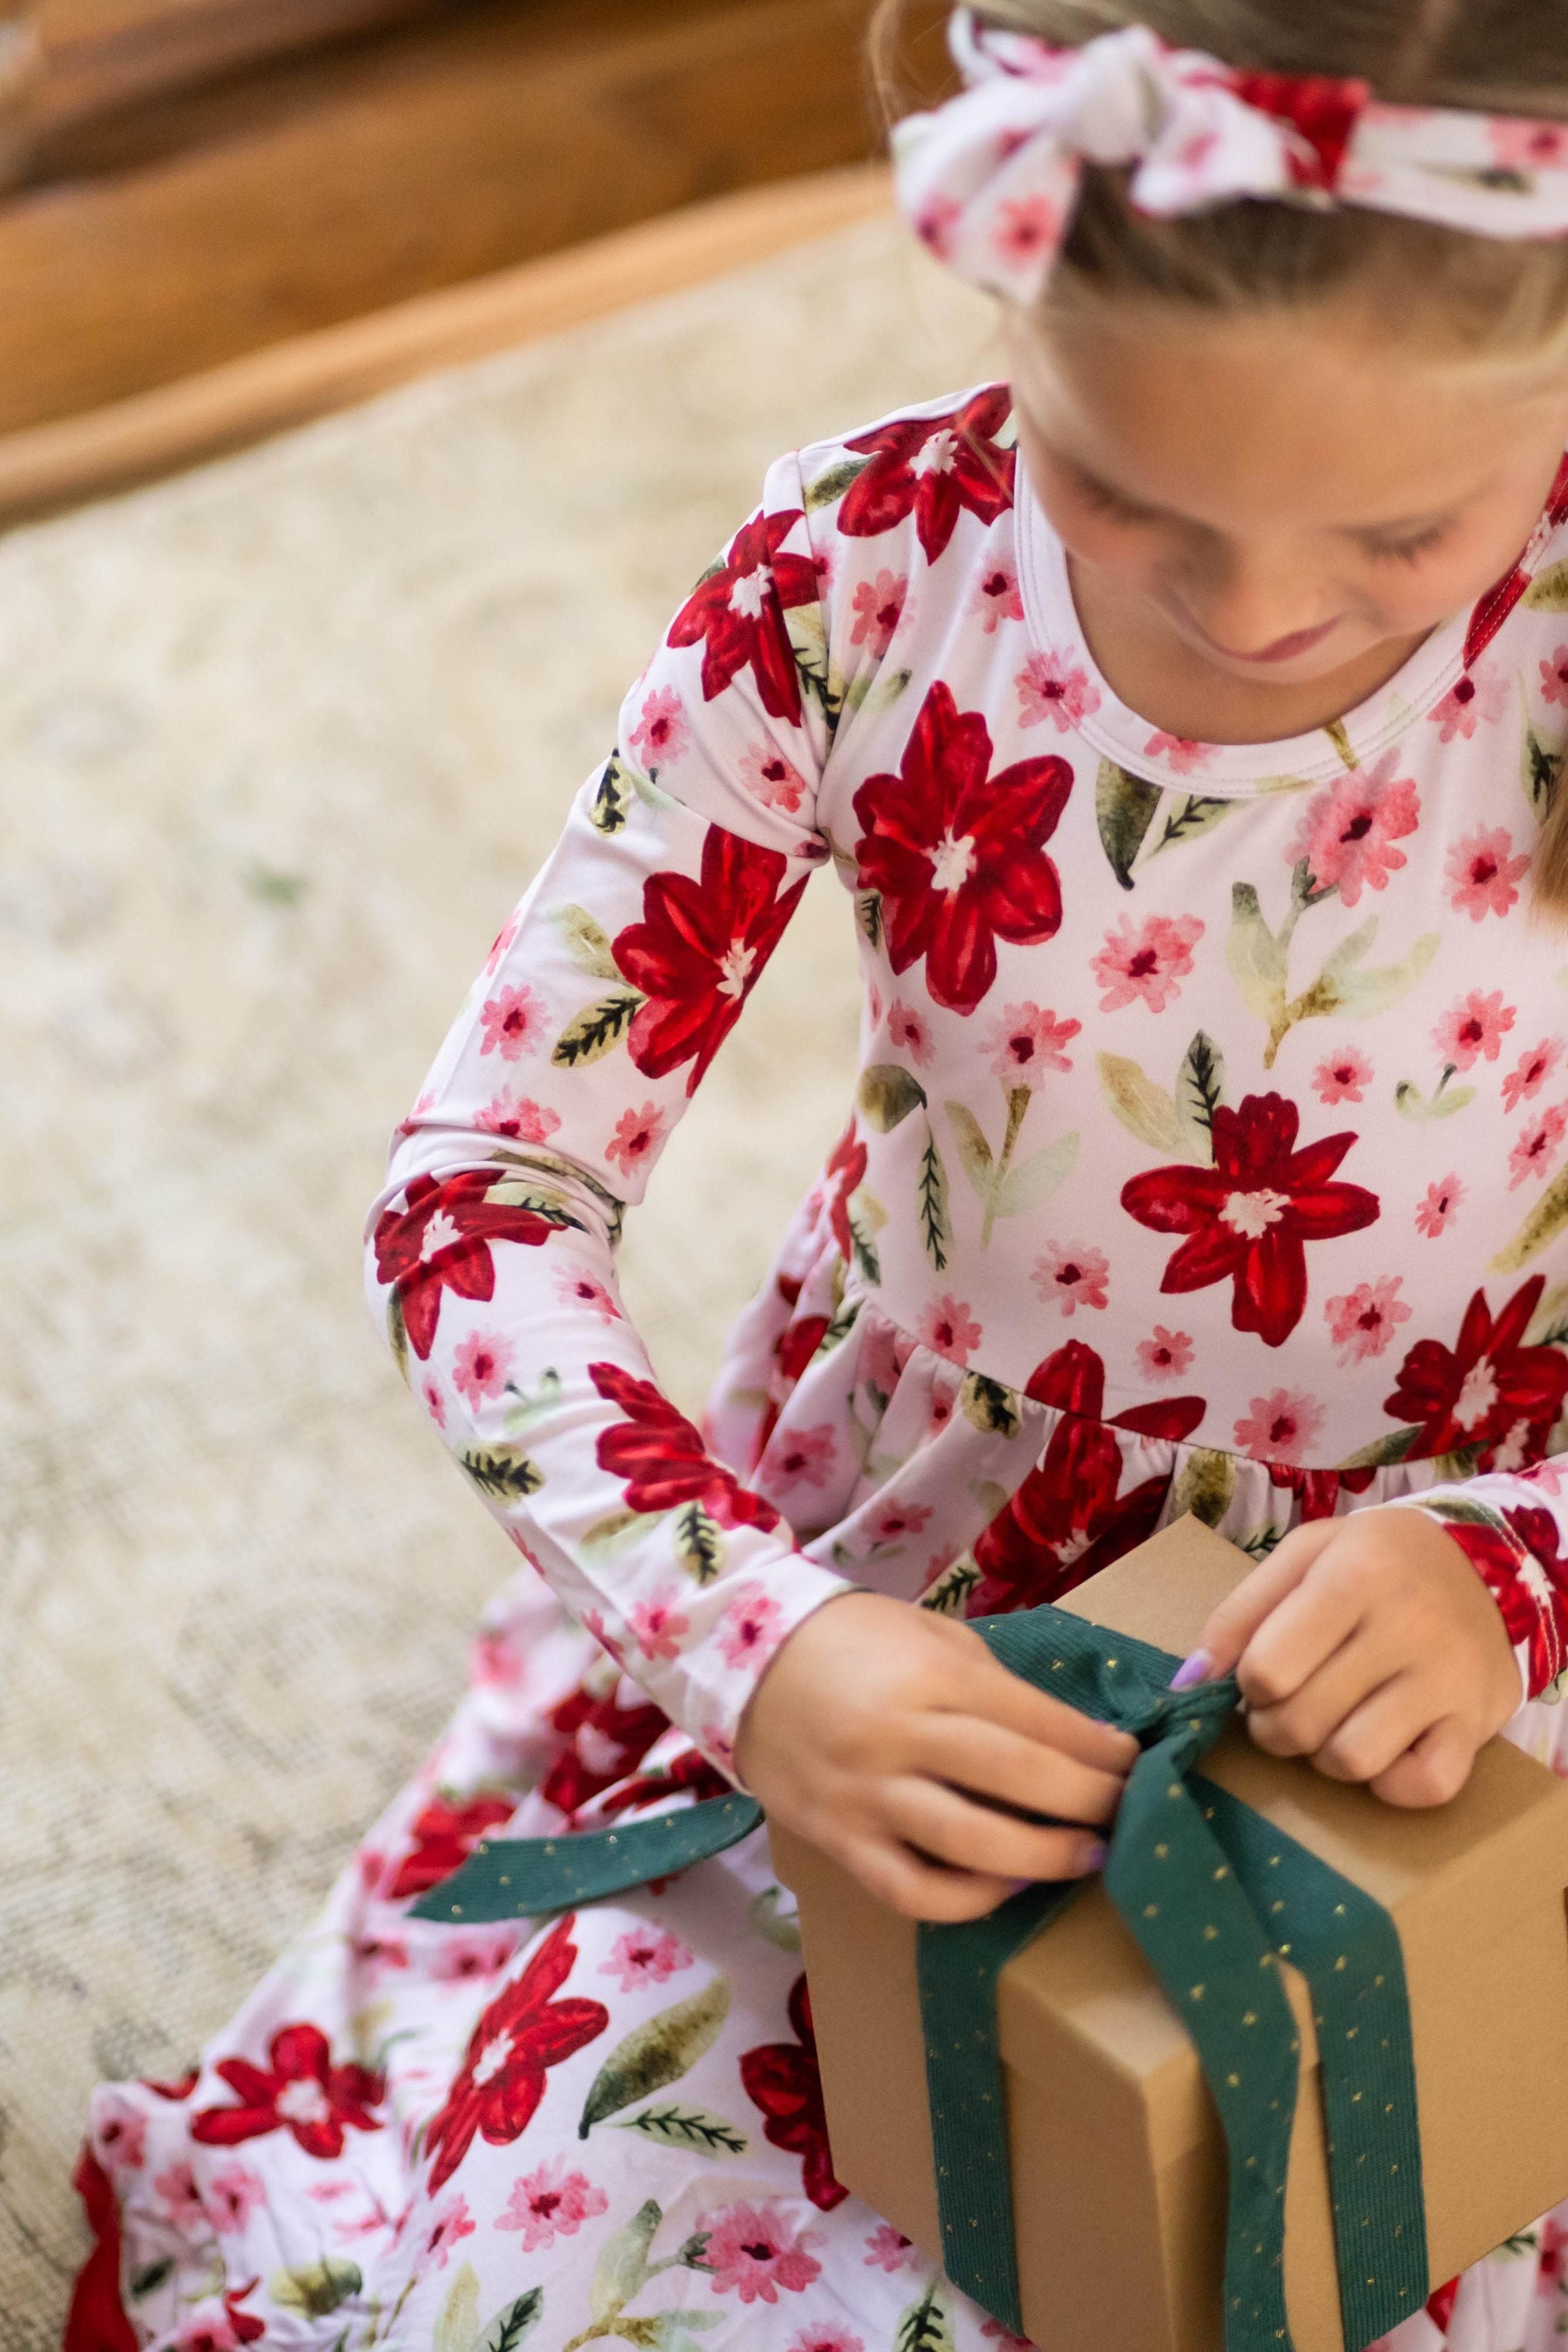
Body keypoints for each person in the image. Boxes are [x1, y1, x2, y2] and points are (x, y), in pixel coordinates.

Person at [67, 3, 1568, 2345]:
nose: (1264, 613)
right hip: (927, 1628)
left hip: (1476, 1637)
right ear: (998, 288)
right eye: (1135, 492)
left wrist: (1517, 1571)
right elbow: (480, 1191)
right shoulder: (860, 581)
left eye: (1399, 534)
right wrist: (754, 1647)